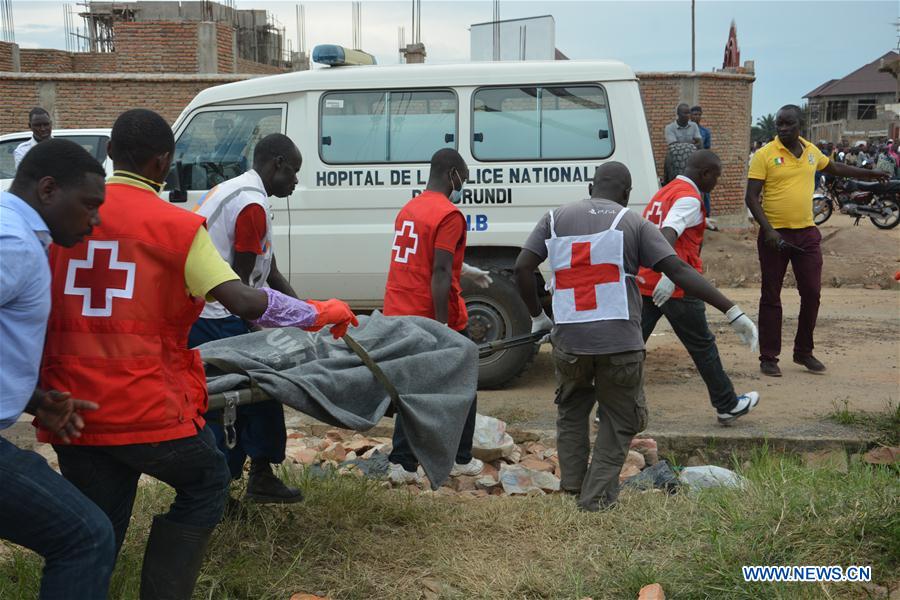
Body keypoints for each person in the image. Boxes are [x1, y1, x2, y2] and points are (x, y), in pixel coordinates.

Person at [36, 109, 357, 599]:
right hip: (144, 408)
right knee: (207, 480)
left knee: (98, 525)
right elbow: (246, 299)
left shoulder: (56, 220)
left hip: (69, 410)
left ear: (110, 156)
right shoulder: (178, 229)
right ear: (163, 162)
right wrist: (317, 312)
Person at [515, 161, 758, 512]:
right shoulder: (633, 223)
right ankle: (595, 499)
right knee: (619, 418)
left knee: (571, 410)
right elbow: (677, 268)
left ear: (590, 187)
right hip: (620, 345)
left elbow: (522, 267)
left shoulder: (553, 219)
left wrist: (538, 318)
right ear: (627, 194)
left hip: (570, 342)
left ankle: (572, 488)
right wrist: (732, 311)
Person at [1, 139, 116, 599]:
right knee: (85, 536)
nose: (96, 219)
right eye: (89, 205)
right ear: (48, 190)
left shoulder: (15, 230)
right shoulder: (14, 245)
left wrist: (31, 399)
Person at [188, 133, 309, 505]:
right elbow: (239, 288)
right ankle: (218, 492)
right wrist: (264, 324)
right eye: (294, 172)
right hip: (214, 313)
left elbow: (268, 270)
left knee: (261, 391)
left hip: (218, 307)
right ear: (277, 164)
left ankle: (258, 474)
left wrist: (306, 314)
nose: (295, 181)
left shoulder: (248, 194)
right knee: (230, 400)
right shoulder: (250, 203)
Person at [745, 104, 888, 378]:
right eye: (779, 124)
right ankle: (769, 356)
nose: (783, 128)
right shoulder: (764, 155)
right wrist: (769, 231)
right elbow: (751, 197)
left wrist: (869, 175)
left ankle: (803, 352)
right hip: (774, 235)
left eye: (789, 124)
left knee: (811, 292)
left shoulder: (811, 151)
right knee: (771, 296)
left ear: (801, 126)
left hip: (807, 233)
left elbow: (833, 166)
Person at [382, 148, 491, 484]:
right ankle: (460, 457)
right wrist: (443, 325)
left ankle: (402, 462)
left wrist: (466, 270)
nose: (463, 186)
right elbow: (440, 270)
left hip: (399, 309)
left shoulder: (410, 208)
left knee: (412, 386)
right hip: (432, 314)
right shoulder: (449, 214)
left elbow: (425, 257)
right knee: (465, 379)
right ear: (452, 175)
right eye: (464, 180)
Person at [639, 150, 759, 425]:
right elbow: (668, 233)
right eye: (716, 176)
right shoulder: (690, 198)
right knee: (702, 345)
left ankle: (607, 410)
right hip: (676, 286)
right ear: (705, 174)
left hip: (646, 281)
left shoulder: (666, 191)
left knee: (630, 346)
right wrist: (671, 275)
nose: (716, 182)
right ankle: (727, 404)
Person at [689, 105, 717, 230]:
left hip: (702, 165)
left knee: (705, 193)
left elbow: (707, 149)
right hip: (689, 165)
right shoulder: (687, 130)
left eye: (699, 114)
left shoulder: (705, 132)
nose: (697, 117)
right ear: (690, 115)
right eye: (694, 114)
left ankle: (706, 218)